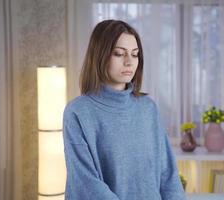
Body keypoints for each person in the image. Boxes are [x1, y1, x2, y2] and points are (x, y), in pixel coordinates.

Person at [63, 19, 186, 200]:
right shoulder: (78, 112)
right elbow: (86, 182)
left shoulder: (148, 109)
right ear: (100, 55)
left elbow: (168, 175)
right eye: (119, 54)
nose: (129, 62)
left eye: (135, 54)